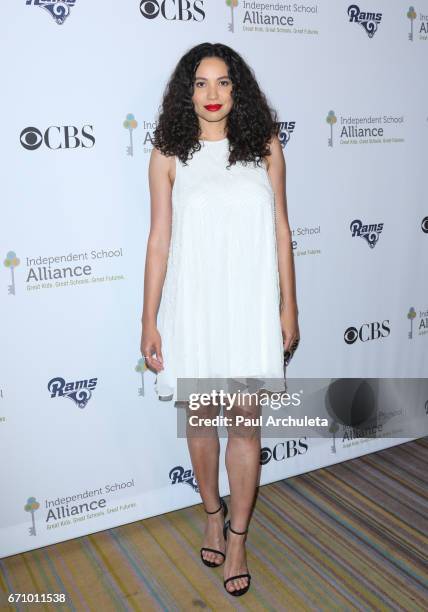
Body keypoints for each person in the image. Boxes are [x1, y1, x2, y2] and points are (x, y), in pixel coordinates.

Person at [140, 42, 299, 597]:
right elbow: (159, 240)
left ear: (239, 89)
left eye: (224, 82)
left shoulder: (264, 145)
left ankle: (236, 536)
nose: (212, 94)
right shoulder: (168, 152)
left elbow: (282, 230)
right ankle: (211, 509)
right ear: (188, 91)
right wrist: (149, 319)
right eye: (202, 83)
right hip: (198, 307)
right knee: (203, 423)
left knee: (245, 427)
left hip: (251, 305)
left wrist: (289, 306)